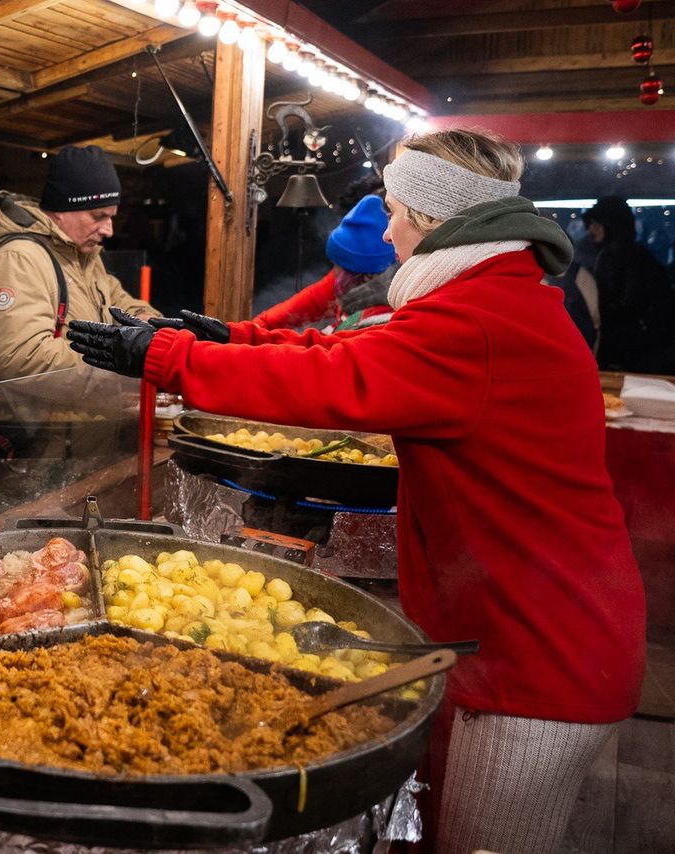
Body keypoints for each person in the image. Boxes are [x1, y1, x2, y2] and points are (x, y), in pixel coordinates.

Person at [68, 129, 646, 854]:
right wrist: (234, 341)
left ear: (432, 218)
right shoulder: (490, 298)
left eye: (395, 213)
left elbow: (335, 380)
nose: (389, 232)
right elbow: (354, 348)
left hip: (539, 653)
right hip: (517, 626)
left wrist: (172, 357)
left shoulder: (479, 322)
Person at [0, 145, 157, 380]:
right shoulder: (19, 258)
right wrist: (117, 356)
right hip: (41, 405)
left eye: (112, 216)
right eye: (98, 216)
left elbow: (119, 304)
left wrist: (150, 328)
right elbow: (23, 358)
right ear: (62, 209)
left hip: (85, 401)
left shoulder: (83, 253)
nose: (109, 230)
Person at [253, 194, 397, 332]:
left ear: (364, 275)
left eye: (339, 265)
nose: (335, 270)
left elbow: (330, 343)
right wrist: (249, 331)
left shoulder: (382, 315)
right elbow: (279, 317)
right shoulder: (340, 282)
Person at [583, 195, 675, 373]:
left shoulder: (613, 257)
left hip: (629, 352)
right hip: (646, 350)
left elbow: (626, 305)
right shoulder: (639, 255)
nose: (591, 230)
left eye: (596, 224)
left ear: (611, 225)